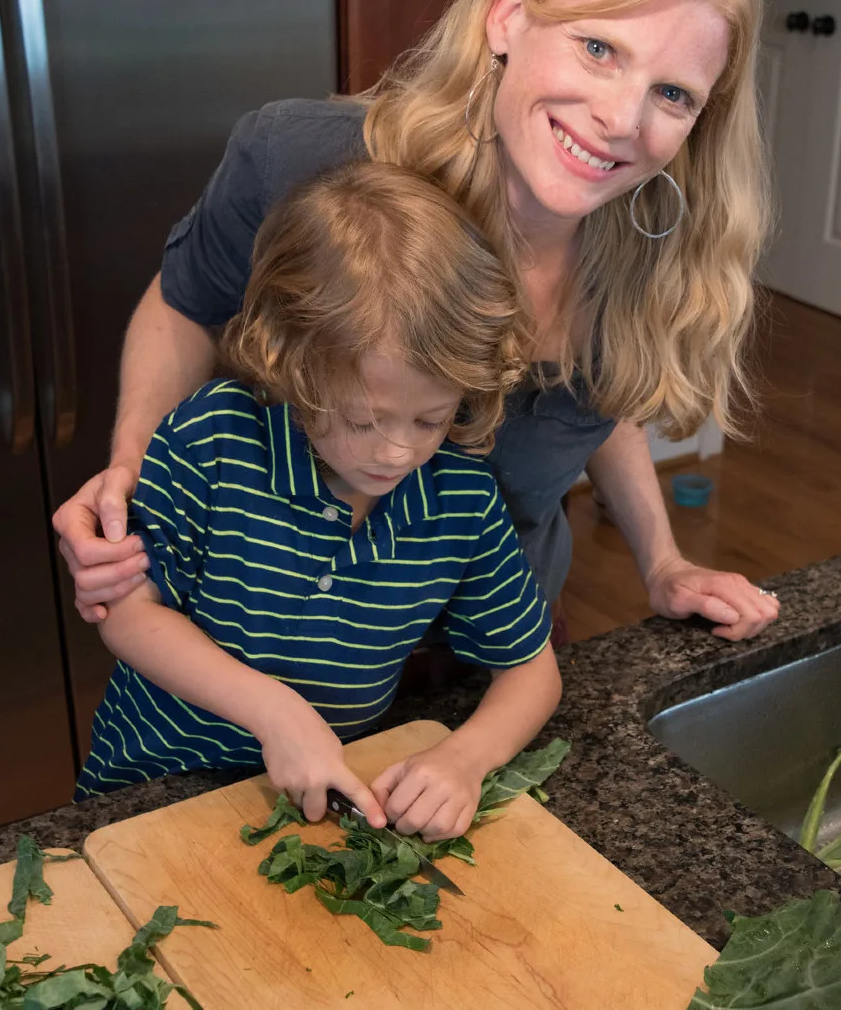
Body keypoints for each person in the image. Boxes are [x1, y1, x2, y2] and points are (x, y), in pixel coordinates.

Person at [54, 0, 780, 645]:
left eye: (671, 94)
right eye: (598, 48)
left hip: (492, 660)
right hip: (258, 662)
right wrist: (130, 474)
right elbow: (183, 304)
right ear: (509, 16)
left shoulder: (641, 250)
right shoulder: (305, 164)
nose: (620, 121)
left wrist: (662, 562)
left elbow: (596, 403)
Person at [75, 163, 560, 840]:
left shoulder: (460, 502)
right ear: (289, 360)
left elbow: (532, 672)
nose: (396, 452)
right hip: (150, 792)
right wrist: (277, 712)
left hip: (312, 808)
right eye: (363, 421)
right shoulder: (213, 438)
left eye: (429, 420)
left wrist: (464, 759)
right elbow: (127, 614)